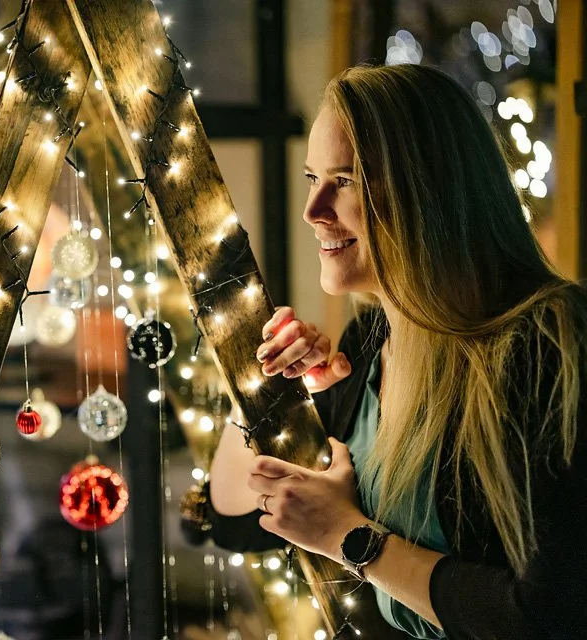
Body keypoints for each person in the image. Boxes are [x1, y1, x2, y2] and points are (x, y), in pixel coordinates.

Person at [209, 64, 587, 639]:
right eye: (313, 177)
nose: (313, 209)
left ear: (430, 187)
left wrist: (351, 538)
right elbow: (234, 519)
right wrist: (271, 385)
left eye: (346, 180)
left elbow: (549, 616)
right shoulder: (370, 342)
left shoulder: (551, 341)